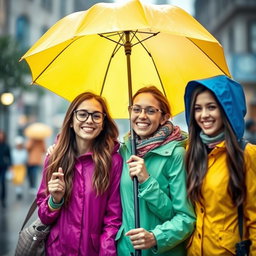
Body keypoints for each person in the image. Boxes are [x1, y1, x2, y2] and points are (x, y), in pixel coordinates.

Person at [36, 92, 122, 255]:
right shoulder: (55, 158)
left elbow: (113, 219)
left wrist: (107, 252)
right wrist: (55, 200)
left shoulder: (113, 162)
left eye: (96, 116)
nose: (89, 120)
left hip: (92, 251)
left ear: (103, 122)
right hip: (57, 250)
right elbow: (44, 216)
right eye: (82, 114)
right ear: (71, 121)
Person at [116, 86, 196, 256]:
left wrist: (154, 238)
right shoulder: (124, 151)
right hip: (125, 251)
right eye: (136, 109)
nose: (142, 116)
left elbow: (185, 218)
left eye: (151, 111)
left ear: (164, 117)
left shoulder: (176, 154)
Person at [184, 75, 256, 255]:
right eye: (198, 108)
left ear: (226, 110)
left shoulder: (246, 154)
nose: (204, 115)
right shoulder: (190, 152)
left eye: (211, 107)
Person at [0, 130, 12, 208]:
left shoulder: (6, 146)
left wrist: (10, 166)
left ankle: (3, 199)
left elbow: (9, 156)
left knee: (3, 182)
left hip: (3, 166)